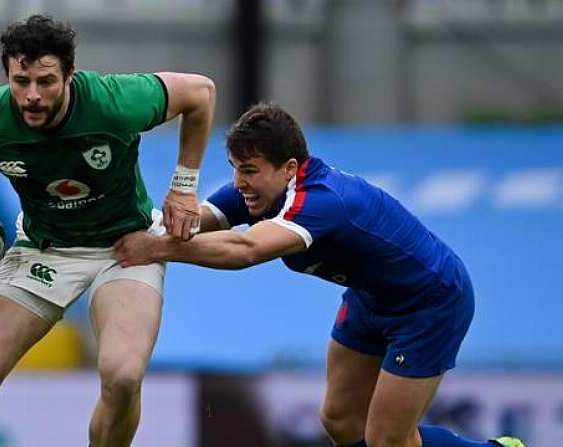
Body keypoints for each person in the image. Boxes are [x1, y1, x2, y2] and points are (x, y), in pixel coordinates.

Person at [113, 103, 526, 447]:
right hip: (371, 298)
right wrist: (136, 229)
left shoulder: (322, 202)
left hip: (430, 303)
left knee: (387, 440)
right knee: (340, 418)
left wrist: (157, 247)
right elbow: (204, 219)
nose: (239, 183)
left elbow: (246, 249)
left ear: (289, 167)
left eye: (250, 170)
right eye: (235, 168)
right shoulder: (259, 190)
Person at [0, 14, 215, 447]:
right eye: (21, 80)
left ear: (70, 74)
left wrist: (183, 188)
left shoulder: (114, 101)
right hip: (43, 248)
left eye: (46, 81)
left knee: (122, 377)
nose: (31, 95)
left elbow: (201, 93)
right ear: (9, 75)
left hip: (126, 247)